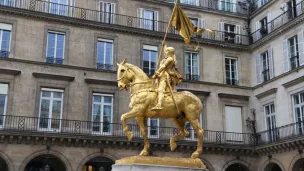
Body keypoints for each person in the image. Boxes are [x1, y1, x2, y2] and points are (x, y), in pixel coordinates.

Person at [151, 44, 182, 111]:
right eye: (165, 51)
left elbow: (163, 66)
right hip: (161, 75)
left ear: (170, 52)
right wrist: (164, 44)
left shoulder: (170, 59)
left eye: (166, 51)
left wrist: (157, 73)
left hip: (165, 76)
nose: (165, 52)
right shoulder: (167, 58)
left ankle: (159, 105)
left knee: (160, 89)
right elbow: (165, 50)